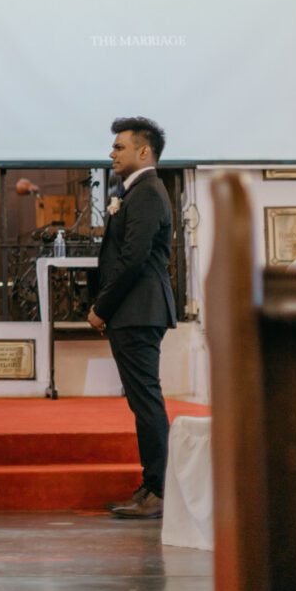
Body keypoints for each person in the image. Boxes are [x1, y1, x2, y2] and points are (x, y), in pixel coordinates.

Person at [87, 116, 176, 520]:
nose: (112, 153)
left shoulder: (147, 193)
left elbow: (132, 260)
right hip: (135, 311)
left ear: (144, 151)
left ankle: (160, 489)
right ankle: (151, 485)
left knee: (146, 402)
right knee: (142, 402)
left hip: (139, 311)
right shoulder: (137, 191)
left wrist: (101, 307)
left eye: (119, 147)